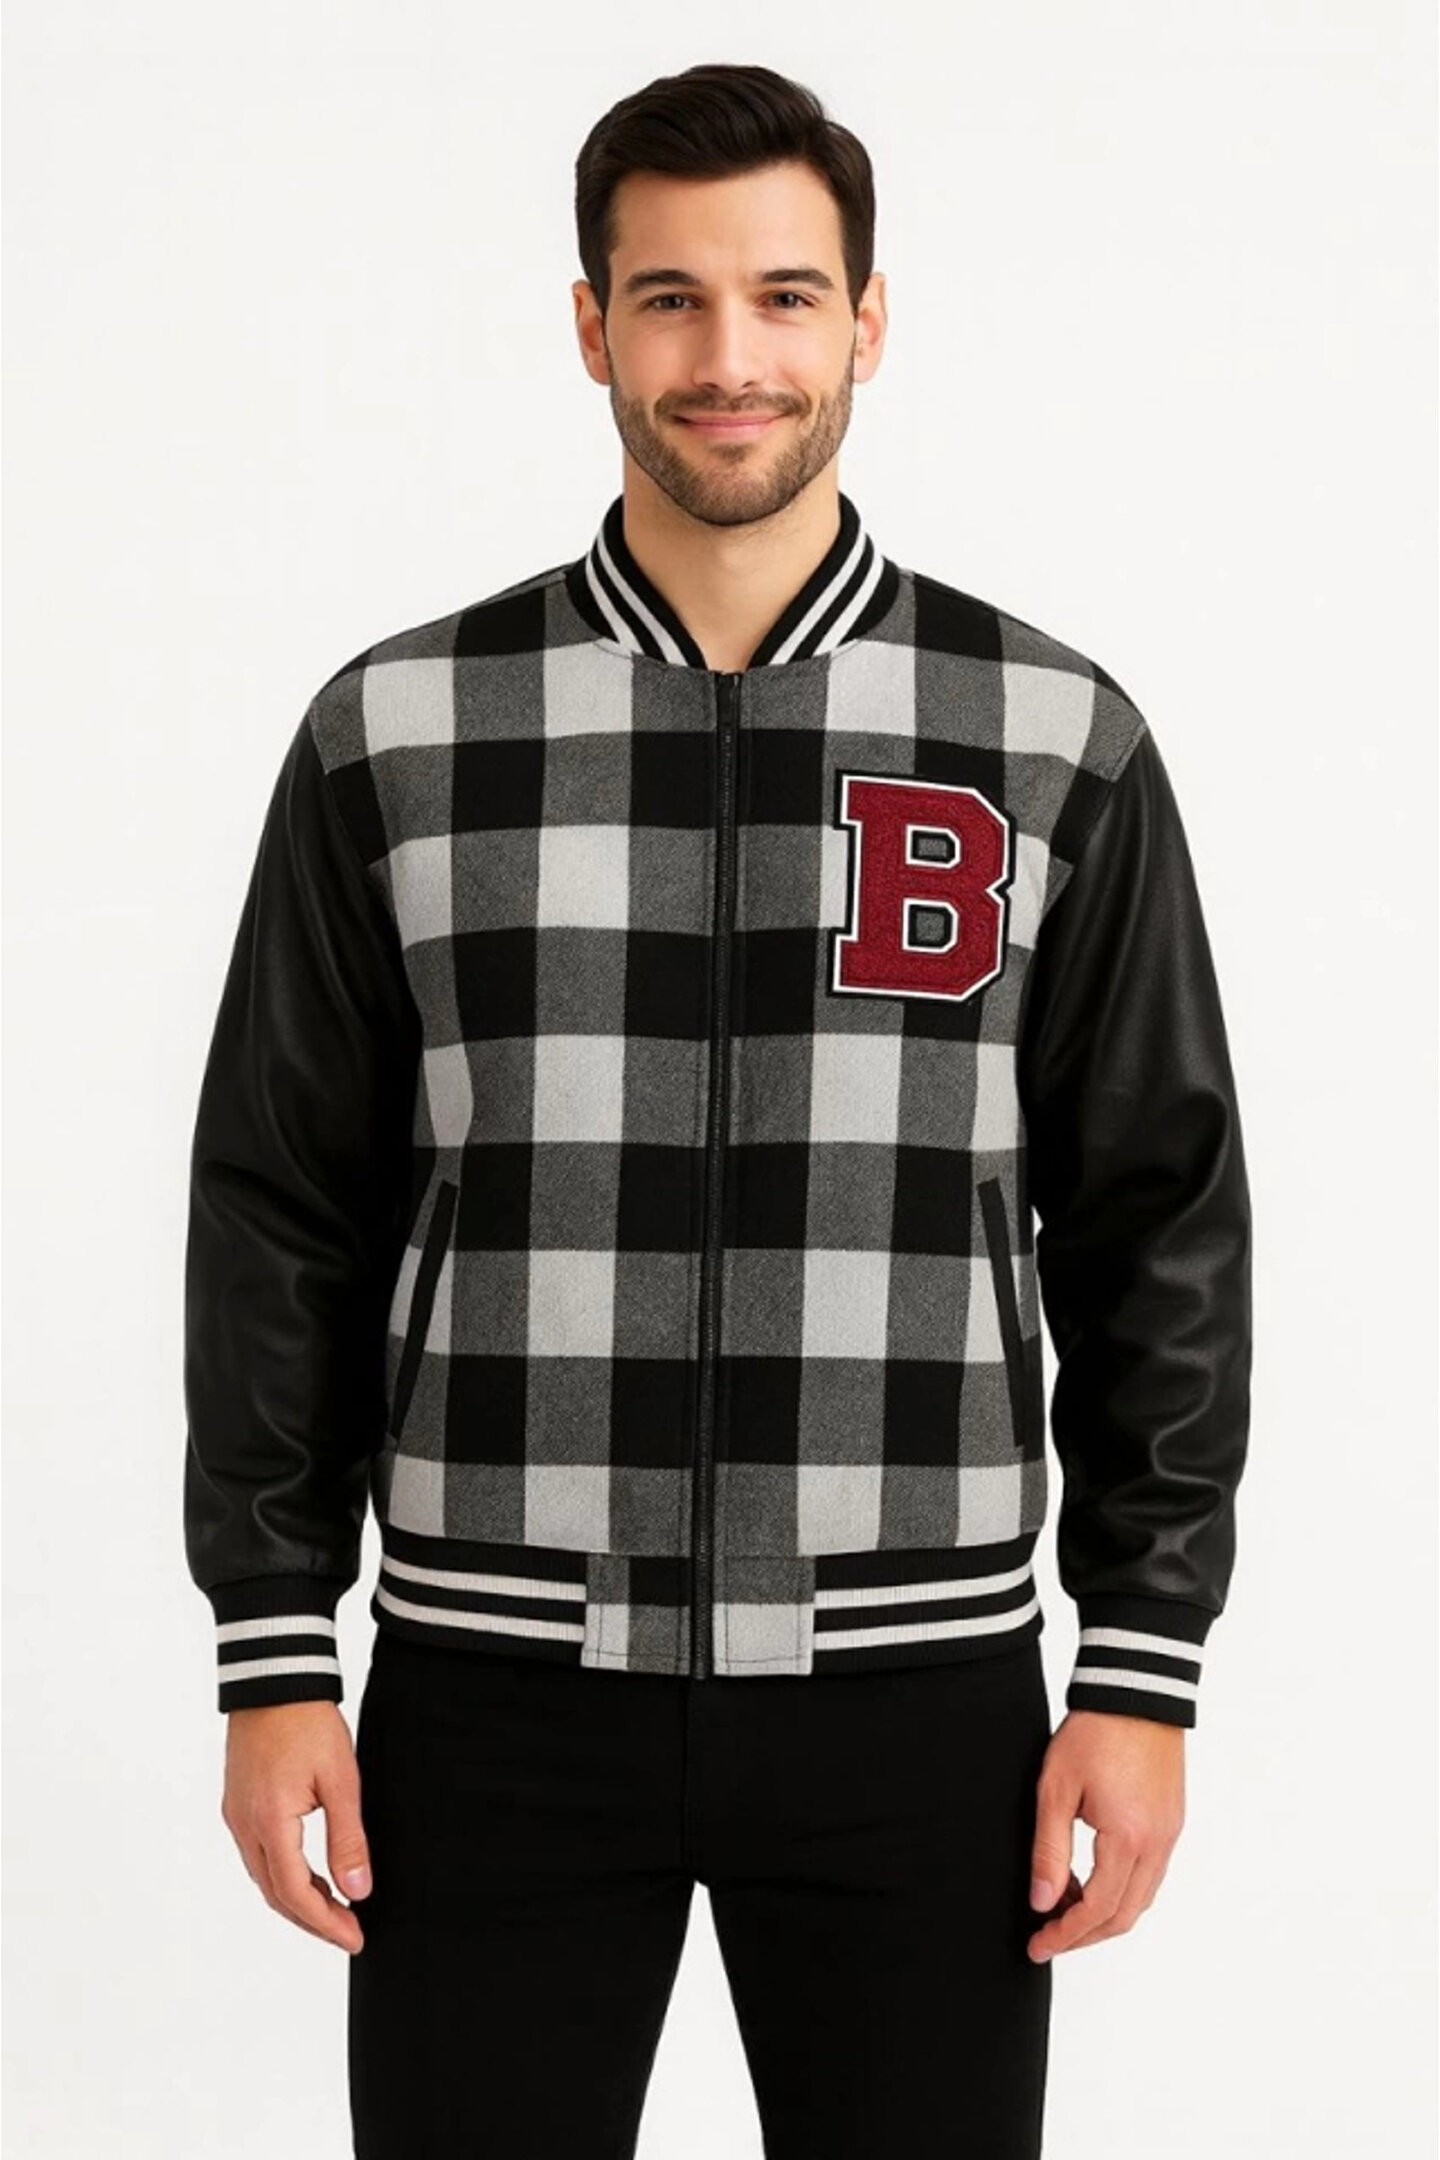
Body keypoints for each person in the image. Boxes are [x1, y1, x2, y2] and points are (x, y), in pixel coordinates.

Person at [183, 61, 1252, 2160]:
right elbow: (283, 1204)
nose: (728, 356)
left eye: (784, 295)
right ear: (591, 326)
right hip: (491, 1690)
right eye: (669, 299)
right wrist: (273, 1646)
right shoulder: (400, 732)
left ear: (871, 321)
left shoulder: (1051, 737)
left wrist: (1141, 1666)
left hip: (919, 1697)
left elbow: (1159, 1219)